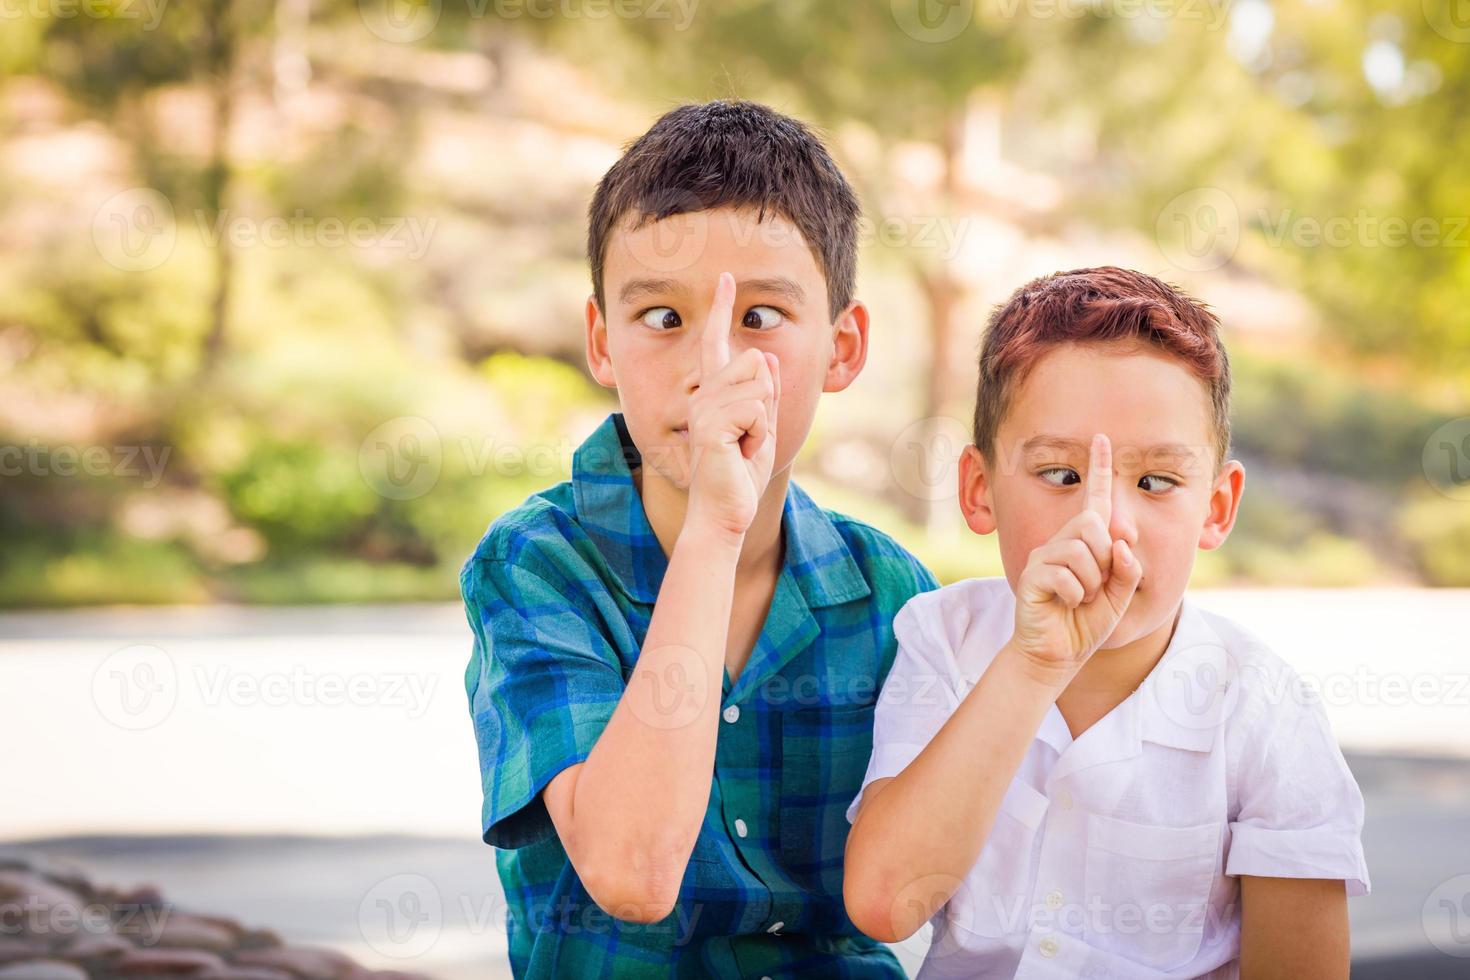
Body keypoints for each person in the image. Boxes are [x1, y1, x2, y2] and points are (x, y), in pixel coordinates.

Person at [460, 99, 936, 977]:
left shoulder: (895, 592)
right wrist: (717, 529)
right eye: (662, 319)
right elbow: (632, 874)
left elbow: (942, 892)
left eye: (759, 318)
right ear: (603, 342)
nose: (710, 364)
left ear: (842, 347)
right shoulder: (540, 564)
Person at [844, 266, 1369, 978]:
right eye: (1061, 475)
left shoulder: (1262, 709)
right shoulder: (943, 638)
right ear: (978, 491)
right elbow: (885, 903)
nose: (1105, 523)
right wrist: (1032, 665)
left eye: (1156, 483)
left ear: (1216, 508)